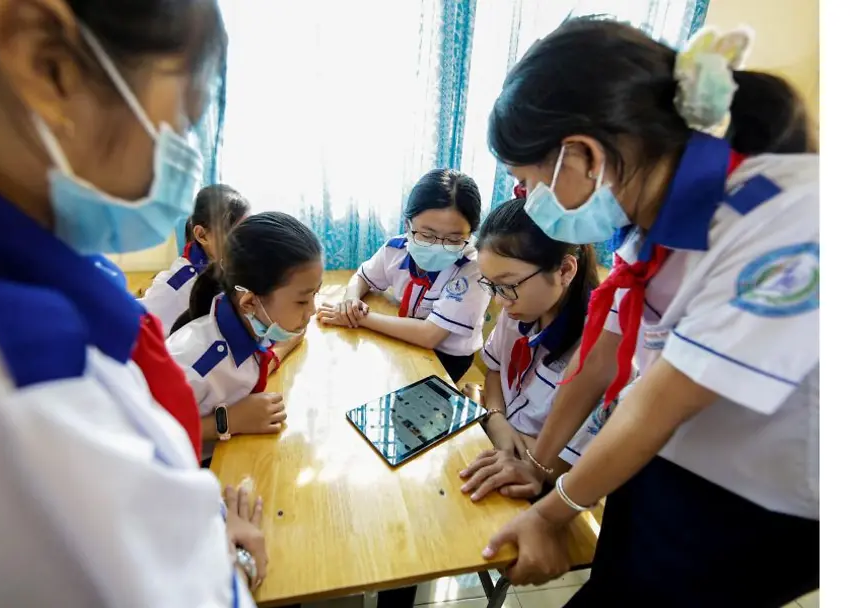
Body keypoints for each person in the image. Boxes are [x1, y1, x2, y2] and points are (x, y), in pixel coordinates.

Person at [0, 0, 266, 605]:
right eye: (183, 118)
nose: (181, 154)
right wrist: (230, 557)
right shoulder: (13, 392)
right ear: (44, 60)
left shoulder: (30, 276)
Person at [477, 19, 819, 607]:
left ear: (580, 156)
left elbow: (661, 402)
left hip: (758, 504)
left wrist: (553, 514)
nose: (528, 204)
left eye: (525, 184)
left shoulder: (792, 220)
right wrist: (538, 466)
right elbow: (599, 365)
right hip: (661, 460)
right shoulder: (649, 226)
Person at [457, 199, 612, 503]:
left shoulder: (597, 353)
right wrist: (496, 417)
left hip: (543, 485)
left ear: (565, 270)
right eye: (492, 286)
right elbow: (495, 368)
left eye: (508, 285)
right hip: (497, 440)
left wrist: (514, 443)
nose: (500, 301)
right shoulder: (520, 311)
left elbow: (572, 468)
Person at [166, 211, 323, 462]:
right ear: (250, 302)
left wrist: (282, 347)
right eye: (303, 300)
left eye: (317, 293)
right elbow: (150, 435)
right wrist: (228, 421)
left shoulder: (250, 321)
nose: (312, 310)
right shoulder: (195, 363)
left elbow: (252, 363)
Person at [317, 168, 490, 382]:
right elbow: (362, 276)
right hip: (405, 333)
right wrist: (351, 301)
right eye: (427, 235)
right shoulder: (397, 249)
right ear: (407, 224)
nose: (439, 246)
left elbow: (430, 335)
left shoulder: (474, 269)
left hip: (446, 357)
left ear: (470, 234)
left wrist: (361, 318)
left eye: (454, 240)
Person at [141, 184, 250, 335]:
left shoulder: (225, 264)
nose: (244, 243)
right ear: (202, 235)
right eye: (234, 236)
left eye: (246, 232)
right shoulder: (177, 287)